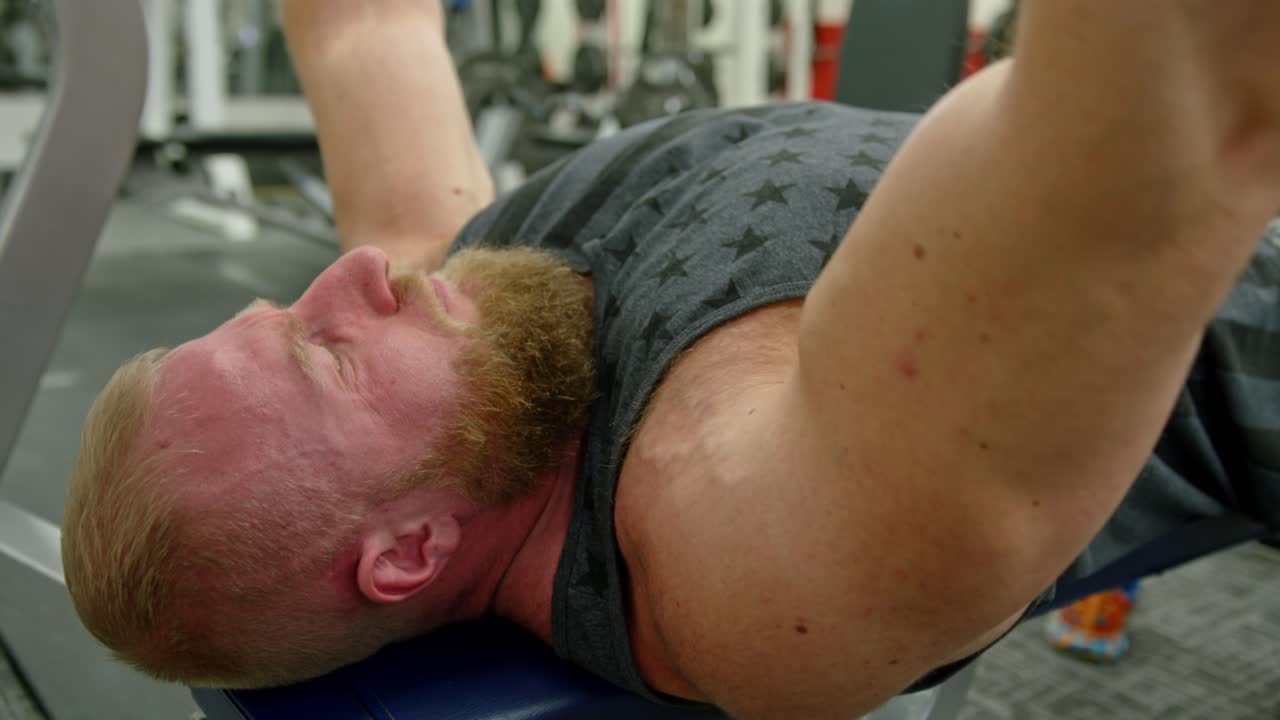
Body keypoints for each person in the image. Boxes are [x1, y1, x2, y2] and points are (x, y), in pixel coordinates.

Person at [61, 2, 1280, 719]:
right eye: (325, 355)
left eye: (290, 310)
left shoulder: (462, 286)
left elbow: (360, 25)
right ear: (410, 553)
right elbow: (1193, 101)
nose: (354, 273)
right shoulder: (747, 559)